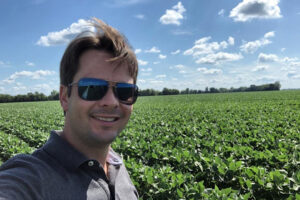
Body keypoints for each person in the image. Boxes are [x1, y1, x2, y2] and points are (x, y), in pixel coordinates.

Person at [0, 18, 139, 200]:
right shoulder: (31, 179)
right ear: (65, 97)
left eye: (124, 91)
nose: (111, 101)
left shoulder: (117, 166)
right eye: (92, 88)